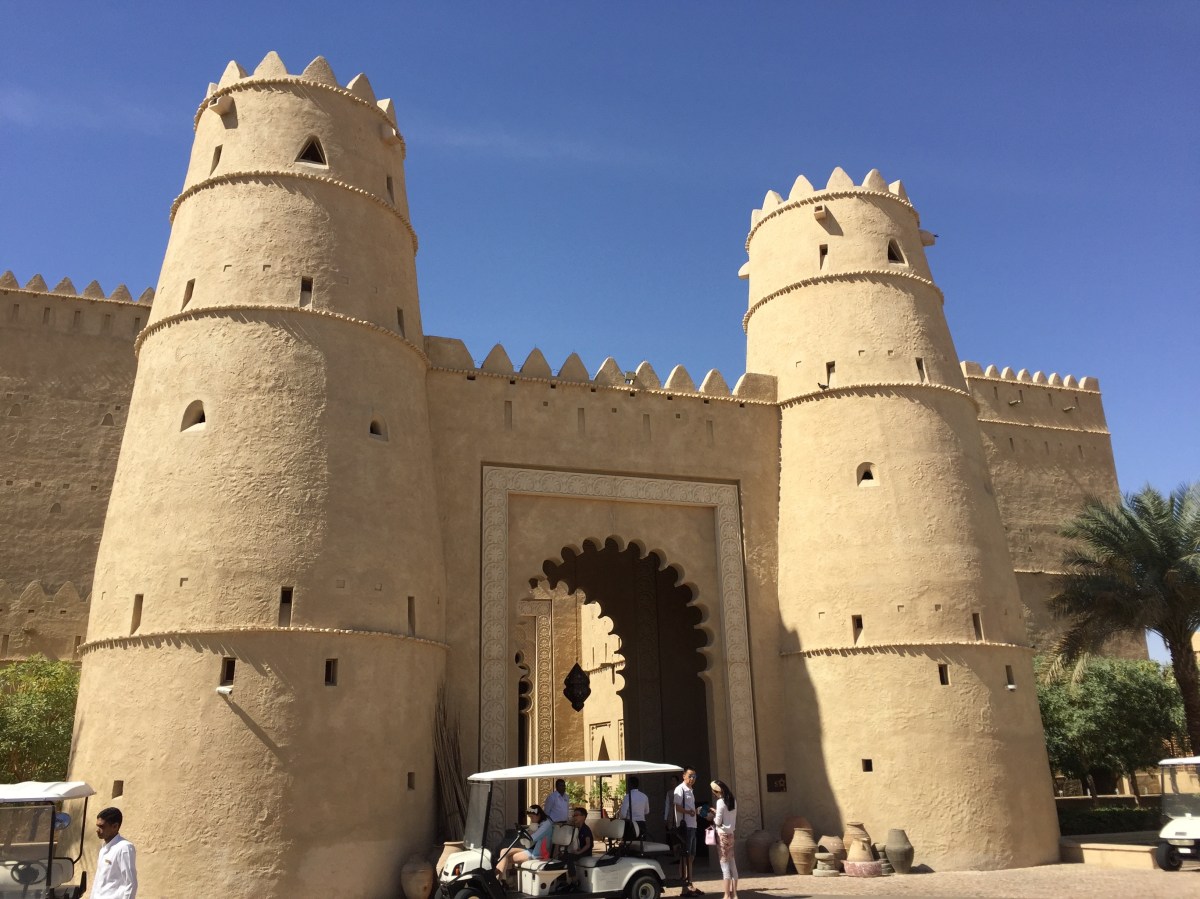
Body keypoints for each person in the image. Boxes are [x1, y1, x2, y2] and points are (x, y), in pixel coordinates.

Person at [496, 804, 555, 883]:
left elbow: (533, 838)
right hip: (530, 849)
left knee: (505, 859)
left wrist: (529, 832)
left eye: (532, 817)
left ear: (539, 815)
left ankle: (499, 881)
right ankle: (501, 881)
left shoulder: (546, 824)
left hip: (538, 853)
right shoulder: (538, 823)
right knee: (504, 851)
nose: (531, 820)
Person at [93, 806, 137, 899]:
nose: (97, 830)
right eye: (97, 826)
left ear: (115, 826)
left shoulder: (124, 847)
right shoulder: (104, 848)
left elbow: (131, 884)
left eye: (102, 826)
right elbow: (99, 882)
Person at [706, 780, 737, 899]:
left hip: (722, 835)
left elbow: (718, 821)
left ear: (716, 791)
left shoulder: (720, 802)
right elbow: (728, 816)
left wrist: (712, 816)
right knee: (732, 864)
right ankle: (734, 894)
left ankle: (726, 895)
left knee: (724, 866)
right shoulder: (733, 800)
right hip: (731, 834)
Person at [673, 768, 700, 896]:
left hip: (692, 826)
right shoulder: (680, 789)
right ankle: (684, 886)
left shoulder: (691, 790)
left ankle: (690, 883)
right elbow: (676, 806)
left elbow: (688, 807)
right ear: (684, 776)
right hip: (685, 827)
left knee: (691, 856)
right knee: (685, 856)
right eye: (690, 776)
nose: (692, 778)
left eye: (694, 776)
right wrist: (688, 812)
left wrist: (695, 811)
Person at [562, 806, 594, 883]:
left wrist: (579, 852)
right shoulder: (575, 828)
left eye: (576, 815)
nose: (574, 817)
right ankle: (563, 880)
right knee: (562, 856)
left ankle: (574, 880)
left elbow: (588, 844)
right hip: (578, 850)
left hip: (585, 852)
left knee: (569, 858)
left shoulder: (585, 829)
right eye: (573, 816)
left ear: (583, 817)